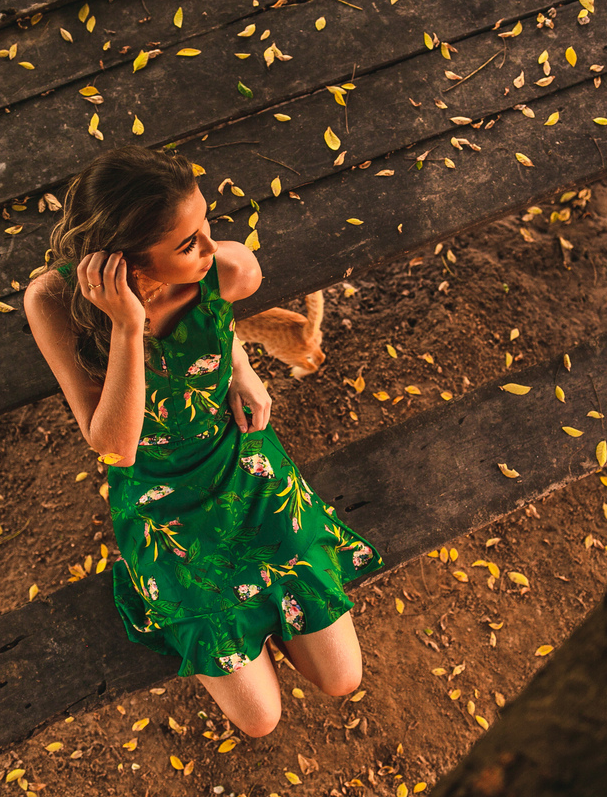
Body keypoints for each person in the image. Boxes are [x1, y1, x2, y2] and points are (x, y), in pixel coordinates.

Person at [24, 144, 385, 738]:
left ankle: (258, 613)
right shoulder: (54, 302)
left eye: (207, 226)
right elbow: (115, 448)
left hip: (240, 463)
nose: (213, 248)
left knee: (342, 679)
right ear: (125, 261)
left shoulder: (229, 270)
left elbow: (219, 318)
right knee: (260, 719)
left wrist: (239, 366)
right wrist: (127, 326)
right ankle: (232, 618)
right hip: (159, 498)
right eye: (189, 243)